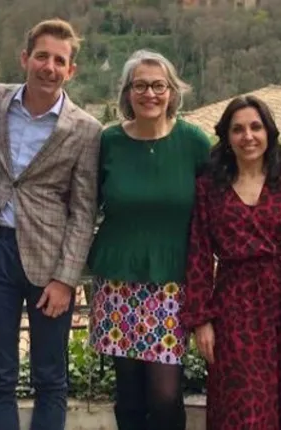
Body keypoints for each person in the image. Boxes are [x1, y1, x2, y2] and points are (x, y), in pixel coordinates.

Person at [0, 18, 103, 430]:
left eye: (59, 60)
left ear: (71, 71)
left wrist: (66, 279)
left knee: (51, 377)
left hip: (50, 263)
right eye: (42, 56)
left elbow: (84, 211)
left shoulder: (85, 129)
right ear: (25, 58)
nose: (49, 66)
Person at [181, 95, 281, 430]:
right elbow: (199, 255)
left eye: (256, 127)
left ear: (269, 133)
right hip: (234, 307)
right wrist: (201, 320)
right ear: (227, 137)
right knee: (240, 403)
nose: (248, 136)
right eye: (238, 129)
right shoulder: (209, 188)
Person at [87, 49, 211, 430]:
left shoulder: (193, 142)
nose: (150, 93)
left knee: (165, 394)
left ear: (173, 92)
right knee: (129, 392)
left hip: (173, 283)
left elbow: (216, 209)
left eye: (159, 85)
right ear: (127, 93)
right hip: (118, 281)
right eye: (140, 85)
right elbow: (85, 202)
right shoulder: (108, 142)